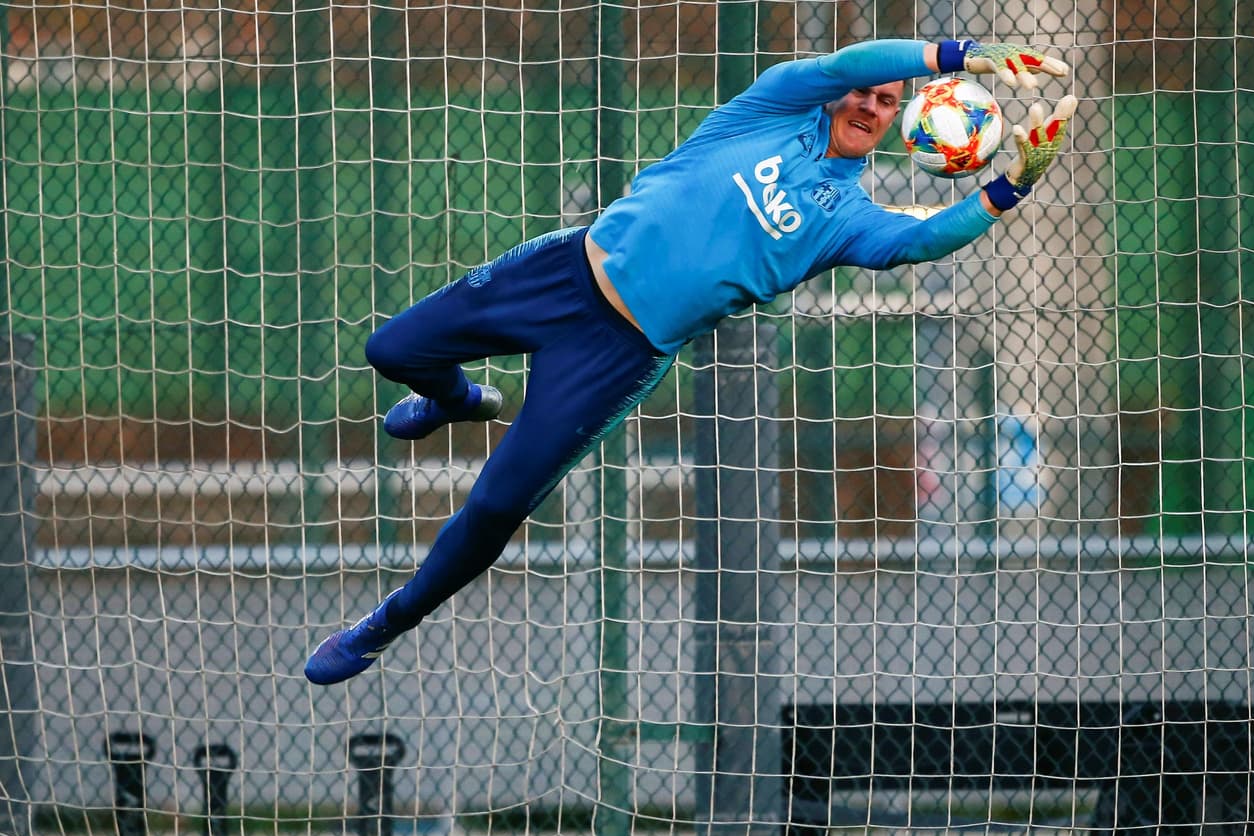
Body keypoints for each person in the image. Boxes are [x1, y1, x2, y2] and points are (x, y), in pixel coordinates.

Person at [304, 37, 1075, 685]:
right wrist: (961, 54)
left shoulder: (848, 215)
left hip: (618, 353)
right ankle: (458, 398)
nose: (867, 106)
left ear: (901, 122)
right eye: (862, 94)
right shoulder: (773, 105)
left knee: (498, 508)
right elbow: (848, 60)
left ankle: (383, 624)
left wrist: (1009, 187)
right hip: (565, 273)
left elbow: (918, 241)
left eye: (884, 101)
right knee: (391, 349)